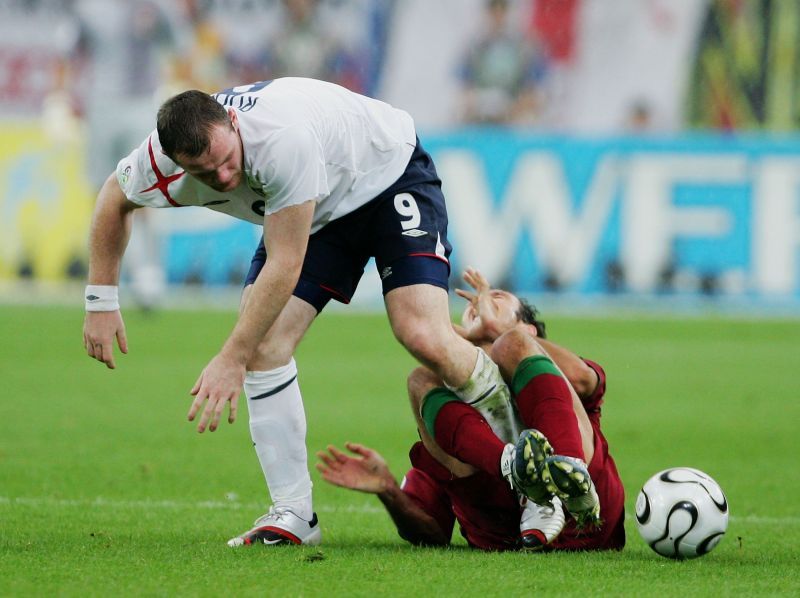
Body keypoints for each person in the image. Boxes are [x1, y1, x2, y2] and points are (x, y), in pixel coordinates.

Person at [82, 78, 517, 547]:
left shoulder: (279, 140)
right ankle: (293, 514)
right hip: (318, 211)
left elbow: (286, 263)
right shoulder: (157, 163)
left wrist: (230, 357)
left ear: (232, 121)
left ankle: (523, 457)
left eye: (228, 161)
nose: (225, 178)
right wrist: (101, 302)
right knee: (266, 344)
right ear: (177, 162)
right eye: (206, 175)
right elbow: (113, 198)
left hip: (386, 172)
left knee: (421, 333)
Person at [318, 270, 625, 551]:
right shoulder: (445, 415)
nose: (483, 306)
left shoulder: (550, 368)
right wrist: (388, 491)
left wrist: (500, 334)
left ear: (531, 330)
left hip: (587, 518)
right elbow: (431, 531)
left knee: (511, 346)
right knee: (421, 379)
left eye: (498, 299)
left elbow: (583, 379)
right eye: (476, 310)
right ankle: (514, 470)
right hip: (508, 536)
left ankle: (569, 475)